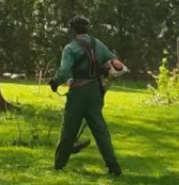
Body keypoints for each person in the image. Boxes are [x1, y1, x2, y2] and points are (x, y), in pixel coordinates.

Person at [49, 16, 124, 176]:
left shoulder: (70, 48)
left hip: (78, 91)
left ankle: (59, 164)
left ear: (73, 30)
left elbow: (64, 71)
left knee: (69, 129)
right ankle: (113, 166)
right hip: (95, 91)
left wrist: (55, 82)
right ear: (87, 28)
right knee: (100, 130)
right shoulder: (98, 44)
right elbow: (114, 61)